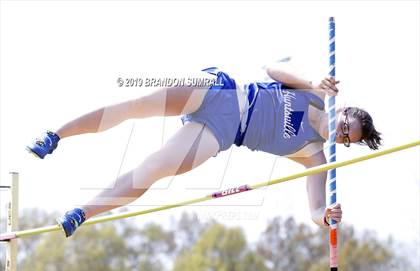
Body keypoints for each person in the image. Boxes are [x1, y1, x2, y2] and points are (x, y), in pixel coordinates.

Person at [26, 66, 382, 237]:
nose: (341, 136)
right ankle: (56, 136)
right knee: (136, 106)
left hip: (223, 132)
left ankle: (81, 213)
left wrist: (326, 216)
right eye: (346, 128)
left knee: (155, 168)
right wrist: (310, 81)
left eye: (347, 140)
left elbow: (315, 210)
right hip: (221, 92)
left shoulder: (312, 155)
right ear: (344, 110)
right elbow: (271, 68)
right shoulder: (314, 93)